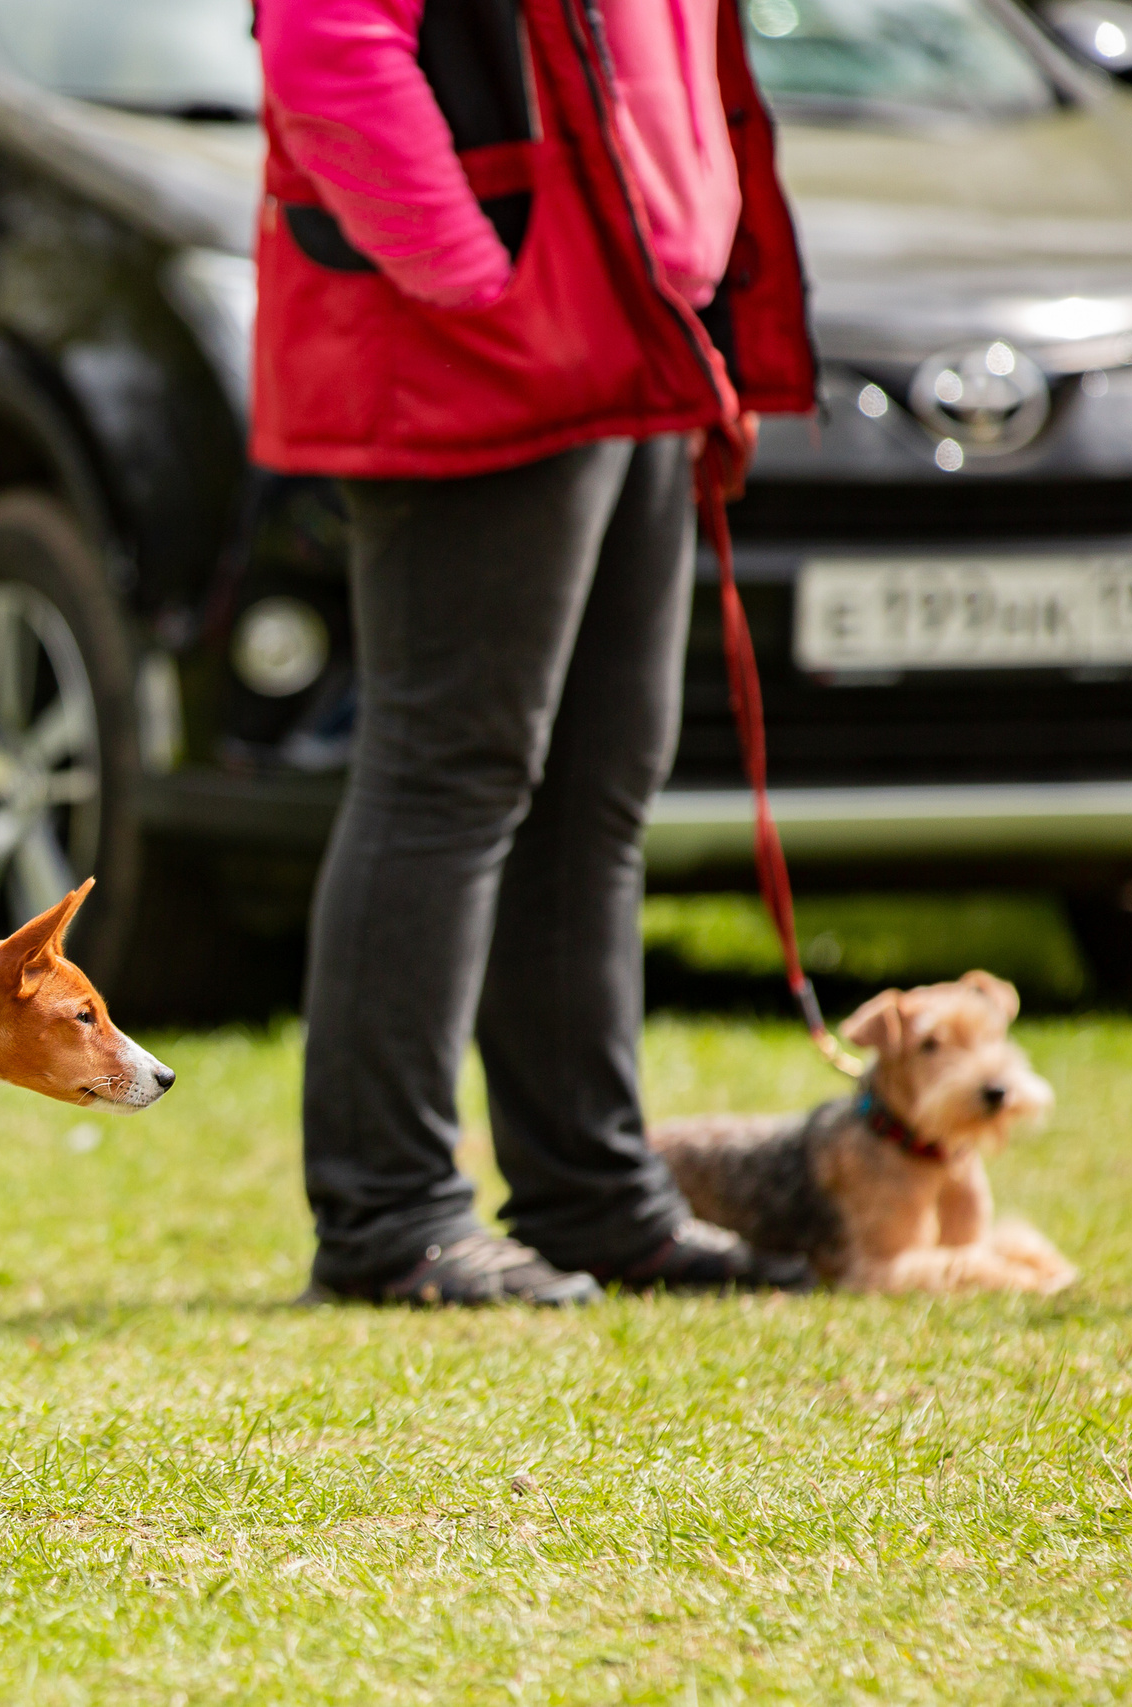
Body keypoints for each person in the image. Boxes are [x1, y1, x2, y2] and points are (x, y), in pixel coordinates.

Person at [257, 0, 817, 1304]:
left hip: (629, 329)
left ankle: (596, 1195)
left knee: (596, 785)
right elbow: (327, 45)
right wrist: (477, 275)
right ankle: (389, 1217)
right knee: (448, 774)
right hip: (493, 333)